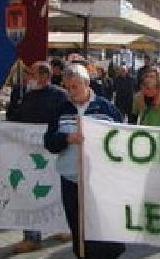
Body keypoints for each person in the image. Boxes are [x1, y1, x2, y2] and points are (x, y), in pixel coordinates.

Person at [44, 64, 125, 259]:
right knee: (78, 228)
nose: (71, 92)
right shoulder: (61, 110)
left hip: (100, 181)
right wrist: (66, 139)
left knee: (103, 226)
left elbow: (122, 140)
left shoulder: (106, 108)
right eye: (67, 87)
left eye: (75, 87)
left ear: (87, 84)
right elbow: (49, 142)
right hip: (72, 180)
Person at [10, 62, 68, 253]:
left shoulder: (60, 96)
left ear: (44, 76)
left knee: (58, 191)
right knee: (30, 192)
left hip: (53, 153)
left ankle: (64, 227)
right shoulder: (27, 96)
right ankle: (32, 237)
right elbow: (17, 119)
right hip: (31, 155)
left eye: (31, 73)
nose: (28, 77)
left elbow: (65, 120)